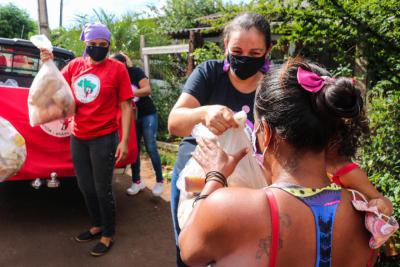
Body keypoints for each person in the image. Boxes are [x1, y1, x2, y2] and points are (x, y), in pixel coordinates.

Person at [179, 58, 377, 267]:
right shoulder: (365, 215)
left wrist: (215, 176)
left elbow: (189, 250)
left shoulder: (230, 208)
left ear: (265, 132)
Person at [168, 13, 273, 266]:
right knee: (191, 248)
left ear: (268, 50)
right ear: (225, 44)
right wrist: (204, 112)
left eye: (255, 52)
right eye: (237, 49)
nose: (244, 57)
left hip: (253, 178)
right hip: (198, 169)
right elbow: (174, 123)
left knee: (242, 252)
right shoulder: (210, 73)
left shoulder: (274, 84)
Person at [40, 23, 133, 256]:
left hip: (104, 137)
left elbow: (126, 105)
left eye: (103, 45)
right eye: (93, 45)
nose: (98, 48)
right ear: (86, 45)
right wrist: (47, 62)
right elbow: (54, 85)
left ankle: (108, 233)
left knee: (103, 189)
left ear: (109, 46)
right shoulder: (75, 66)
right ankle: (96, 224)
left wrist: (123, 141)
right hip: (79, 136)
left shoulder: (117, 69)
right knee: (85, 185)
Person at [111, 52, 164, 196]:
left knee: (151, 145)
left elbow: (147, 90)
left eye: (116, 65)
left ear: (123, 64)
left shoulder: (135, 72)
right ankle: (137, 182)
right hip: (131, 118)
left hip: (147, 114)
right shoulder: (114, 78)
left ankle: (159, 181)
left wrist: (129, 94)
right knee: (134, 149)